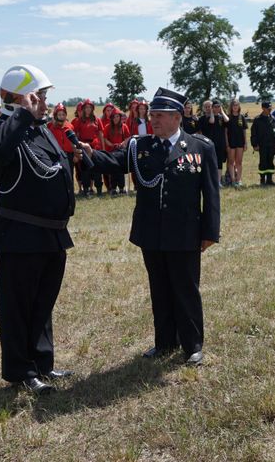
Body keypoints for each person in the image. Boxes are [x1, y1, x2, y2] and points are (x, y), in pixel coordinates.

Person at [88, 87, 220, 366]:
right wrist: (89, 154)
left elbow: (211, 193)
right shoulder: (141, 146)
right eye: (152, 115)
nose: (154, 120)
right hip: (151, 233)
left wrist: (210, 232)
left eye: (160, 115)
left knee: (186, 289)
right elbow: (114, 162)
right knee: (159, 289)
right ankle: (165, 342)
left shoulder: (200, 147)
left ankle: (192, 345)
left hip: (185, 233)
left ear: (177, 117)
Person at [0, 64, 77, 395]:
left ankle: (42, 363)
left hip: (51, 234)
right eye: (40, 96)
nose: (46, 102)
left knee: (42, 304)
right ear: (24, 98)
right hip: (20, 236)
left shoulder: (39, 129)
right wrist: (22, 113)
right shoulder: (2, 129)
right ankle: (20, 370)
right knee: (18, 308)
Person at [72, 100, 103, 196]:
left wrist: (103, 147)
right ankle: (86, 189)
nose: (88, 109)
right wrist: (77, 148)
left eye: (90, 107)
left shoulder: (97, 120)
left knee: (97, 168)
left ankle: (98, 189)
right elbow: (76, 135)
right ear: (83, 109)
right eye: (86, 107)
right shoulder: (79, 120)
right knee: (85, 168)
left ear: (92, 109)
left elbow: (100, 134)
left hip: (95, 146)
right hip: (84, 146)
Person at [199, 100, 228, 185]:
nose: (208, 108)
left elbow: (227, 120)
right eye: (206, 107)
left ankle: (218, 181)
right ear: (204, 108)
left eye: (210, 106)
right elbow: (211, 121)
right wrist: (212, 112)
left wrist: (221, 111)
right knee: (209, 162)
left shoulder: (220, 117)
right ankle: (209, 180)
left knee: (219, 162)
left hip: (220, 143)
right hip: (208, 144)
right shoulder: (203, 118)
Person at [250, 100, 275, 185]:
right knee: (263, 162)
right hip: (262, 145)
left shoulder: (273, 118)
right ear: (263, 108)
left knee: (270, 162)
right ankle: (262, 180)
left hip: (271, 145)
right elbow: (253, 133)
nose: (269, 109)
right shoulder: (257, 119)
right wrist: (254, 144)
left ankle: (269, 180)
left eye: (270, 107)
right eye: (267, 108)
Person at [102, 109, 129, 195]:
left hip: (121, 151)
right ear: (111, 118)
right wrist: (112, 145)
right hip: (111, 151)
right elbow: (105, 139)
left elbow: (127, 138)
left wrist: (122, 144)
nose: (116, 118)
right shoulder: (107, 127)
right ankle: (113, 188)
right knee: (113, 170)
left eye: (117, 116)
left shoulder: (124, 126)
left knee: (121, 170)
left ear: (120, 117)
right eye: (114, 117)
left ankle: (121, 188)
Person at [46, 103, 76, 171]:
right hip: (56, 155)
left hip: (69, 155)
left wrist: (75, 155)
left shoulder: (70, 126)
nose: (61, 116)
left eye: (63, 114)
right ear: (56, 116)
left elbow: (74, 142)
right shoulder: (50, 127)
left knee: (70, 173)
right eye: (59, 115)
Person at [225, 99, 248, 187]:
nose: (235, 107)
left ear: (239, 106)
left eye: (237, 105)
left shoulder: (241, 117)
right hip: (231, 142)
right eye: (234, 105)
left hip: (240, 142)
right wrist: (227, 144)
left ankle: (239, 180)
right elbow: (225, 132)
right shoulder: (228, 117)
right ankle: (233, 180)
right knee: (231, 162)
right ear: (231, 106)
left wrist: (245, 143)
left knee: (239, 162)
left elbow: (244, 131)